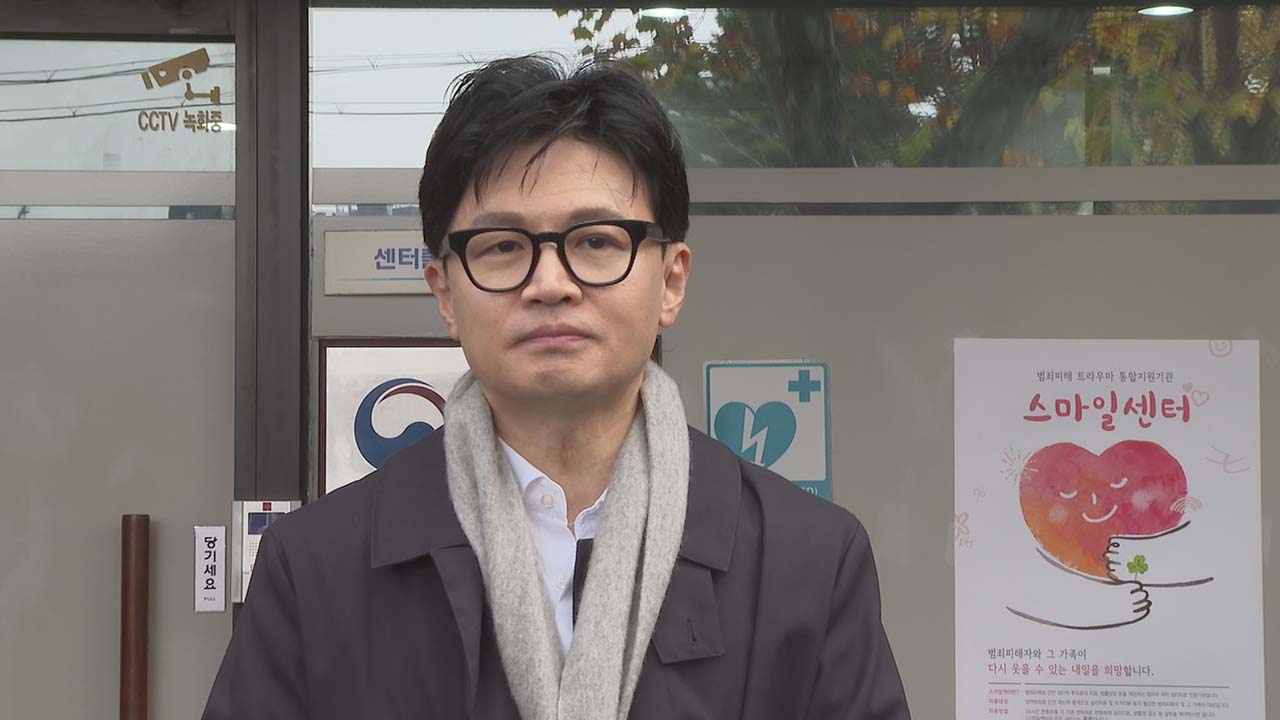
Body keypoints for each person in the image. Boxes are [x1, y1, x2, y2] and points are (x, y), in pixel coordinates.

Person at [202, 54, 910, 720]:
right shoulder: (314, 569)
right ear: (445, 293)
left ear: (670, 281)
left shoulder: (808, 563)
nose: (550, 283)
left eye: (596, 241)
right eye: (502, 246)